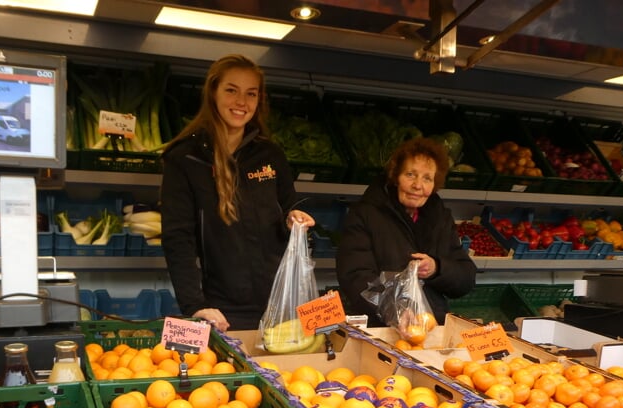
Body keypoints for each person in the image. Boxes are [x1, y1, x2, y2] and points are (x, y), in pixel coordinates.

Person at [160, 54, 315, 332]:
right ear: (213, 92)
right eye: (231, 90)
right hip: (222, 310)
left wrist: (295, 217)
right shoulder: (185, 159)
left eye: (251, 94)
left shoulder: (270, 154)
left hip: (280, 303)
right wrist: (195, 305)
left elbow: (289, 205)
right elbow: (177, 239)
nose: (242, 102)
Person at [336, 136, 477, 327]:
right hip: (382, 330)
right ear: (395, 176)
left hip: (432, 327)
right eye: (410, 174)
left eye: (427, 178)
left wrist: (436, 268)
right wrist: (395, 311)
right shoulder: (364, 215)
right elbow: (355, 277)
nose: (418, 185)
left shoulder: (441, 218)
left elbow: (466, 278)